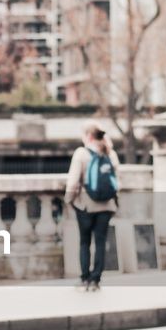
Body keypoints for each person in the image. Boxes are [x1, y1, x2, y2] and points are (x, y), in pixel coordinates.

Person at [65, 121, 121, 290]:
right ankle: (96, 280)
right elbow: (117, 182)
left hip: (85, 206)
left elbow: (73, 181)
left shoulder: (81, 153)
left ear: (88, 136)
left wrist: (69, 200)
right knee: (101, 243)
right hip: (106, 206)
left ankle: (85, 279)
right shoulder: (110, 153)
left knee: (84, 242)